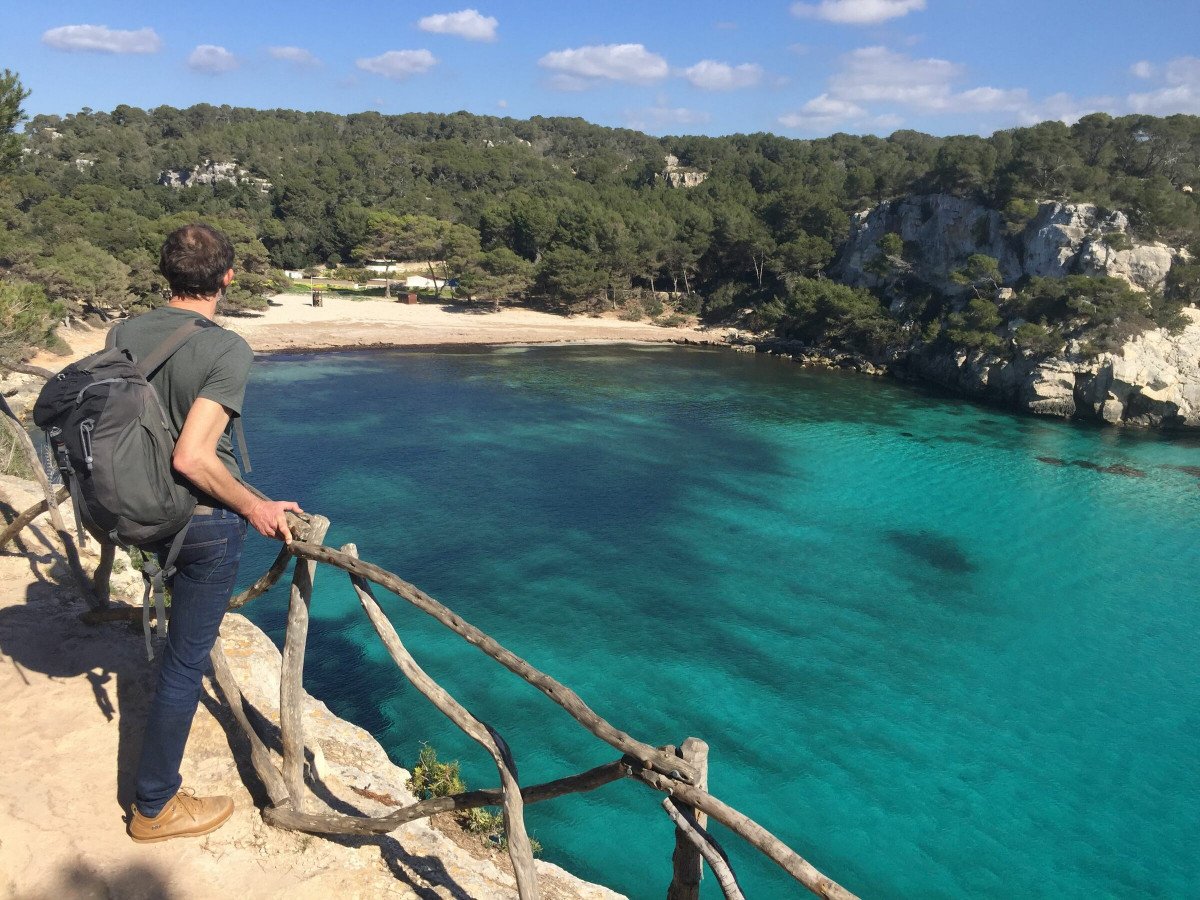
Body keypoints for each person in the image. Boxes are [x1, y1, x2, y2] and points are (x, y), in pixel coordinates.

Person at [113, 223, 302, 842]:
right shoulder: (226, 349)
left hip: (134, 513)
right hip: (198, 524)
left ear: (165, 273)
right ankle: (154, 806)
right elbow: (193, 458)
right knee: (184, 661)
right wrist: (256, 506)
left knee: (175, 641)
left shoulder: (122, 332)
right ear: (227, 277)